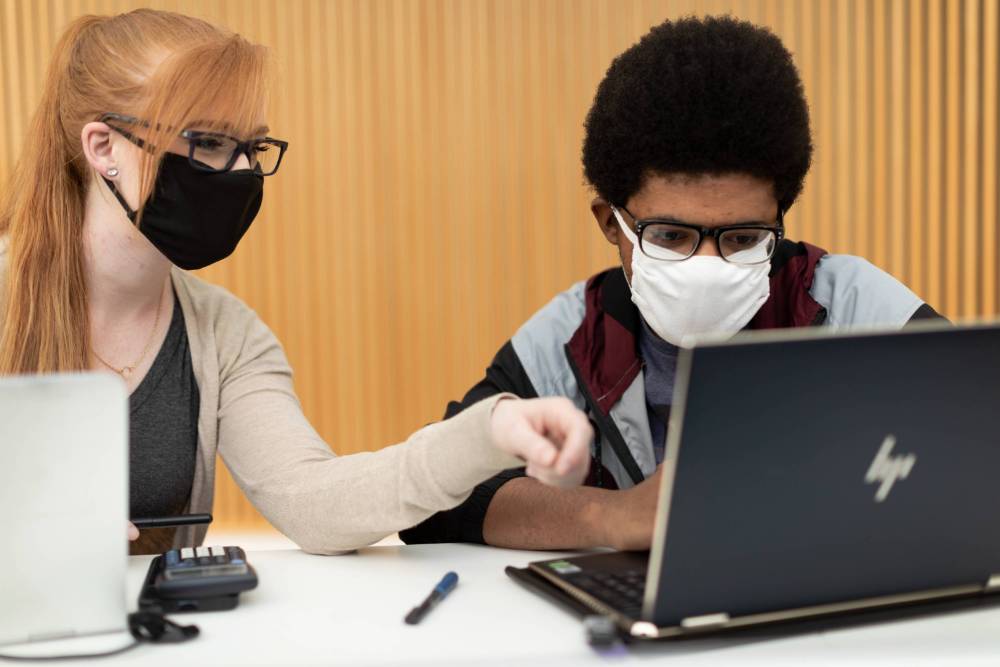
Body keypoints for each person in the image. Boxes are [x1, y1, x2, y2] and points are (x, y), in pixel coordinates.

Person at [0, 9, 592, 556]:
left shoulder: (224, 333)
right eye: (207, 142)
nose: (239, 171)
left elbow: (314, 502)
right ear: (104, 146)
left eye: (251, 147)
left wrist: (488, 432)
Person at [400, 16, 946, 551]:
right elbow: (437, 498)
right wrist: (609, 518)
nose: (706, 264)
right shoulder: (572, 339)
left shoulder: (850, 306)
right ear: (612, 223)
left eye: (742, 238)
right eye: (670, 235)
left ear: (779, 221)